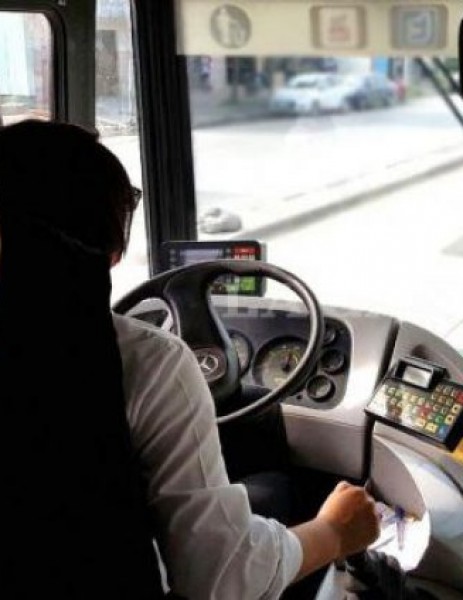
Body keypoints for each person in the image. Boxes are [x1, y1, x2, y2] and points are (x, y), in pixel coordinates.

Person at [0, 119, 380, 599]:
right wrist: (334, 532)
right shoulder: (145, 360)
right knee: (274, 489)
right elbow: (218, 577)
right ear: (114, 252)